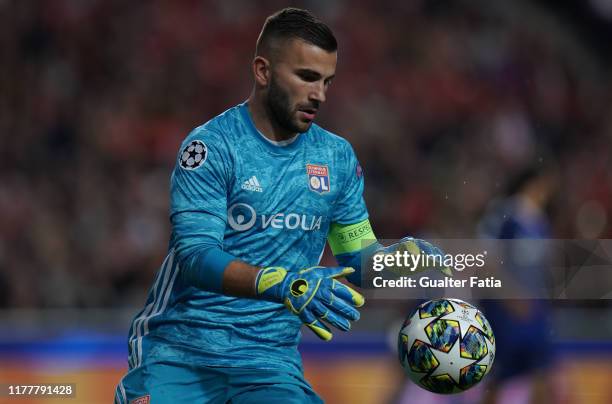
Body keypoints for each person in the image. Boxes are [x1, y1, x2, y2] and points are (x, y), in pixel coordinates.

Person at [115, 8, 446, 403]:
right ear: (262, 71)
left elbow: (357, 257)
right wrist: (283, 284)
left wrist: (396, 262)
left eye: (327, 82)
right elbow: (197, 257)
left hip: (268, 364)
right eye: (306, 77)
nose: (319, 94)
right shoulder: (210, 148)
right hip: (180, 353)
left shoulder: (336, 158)